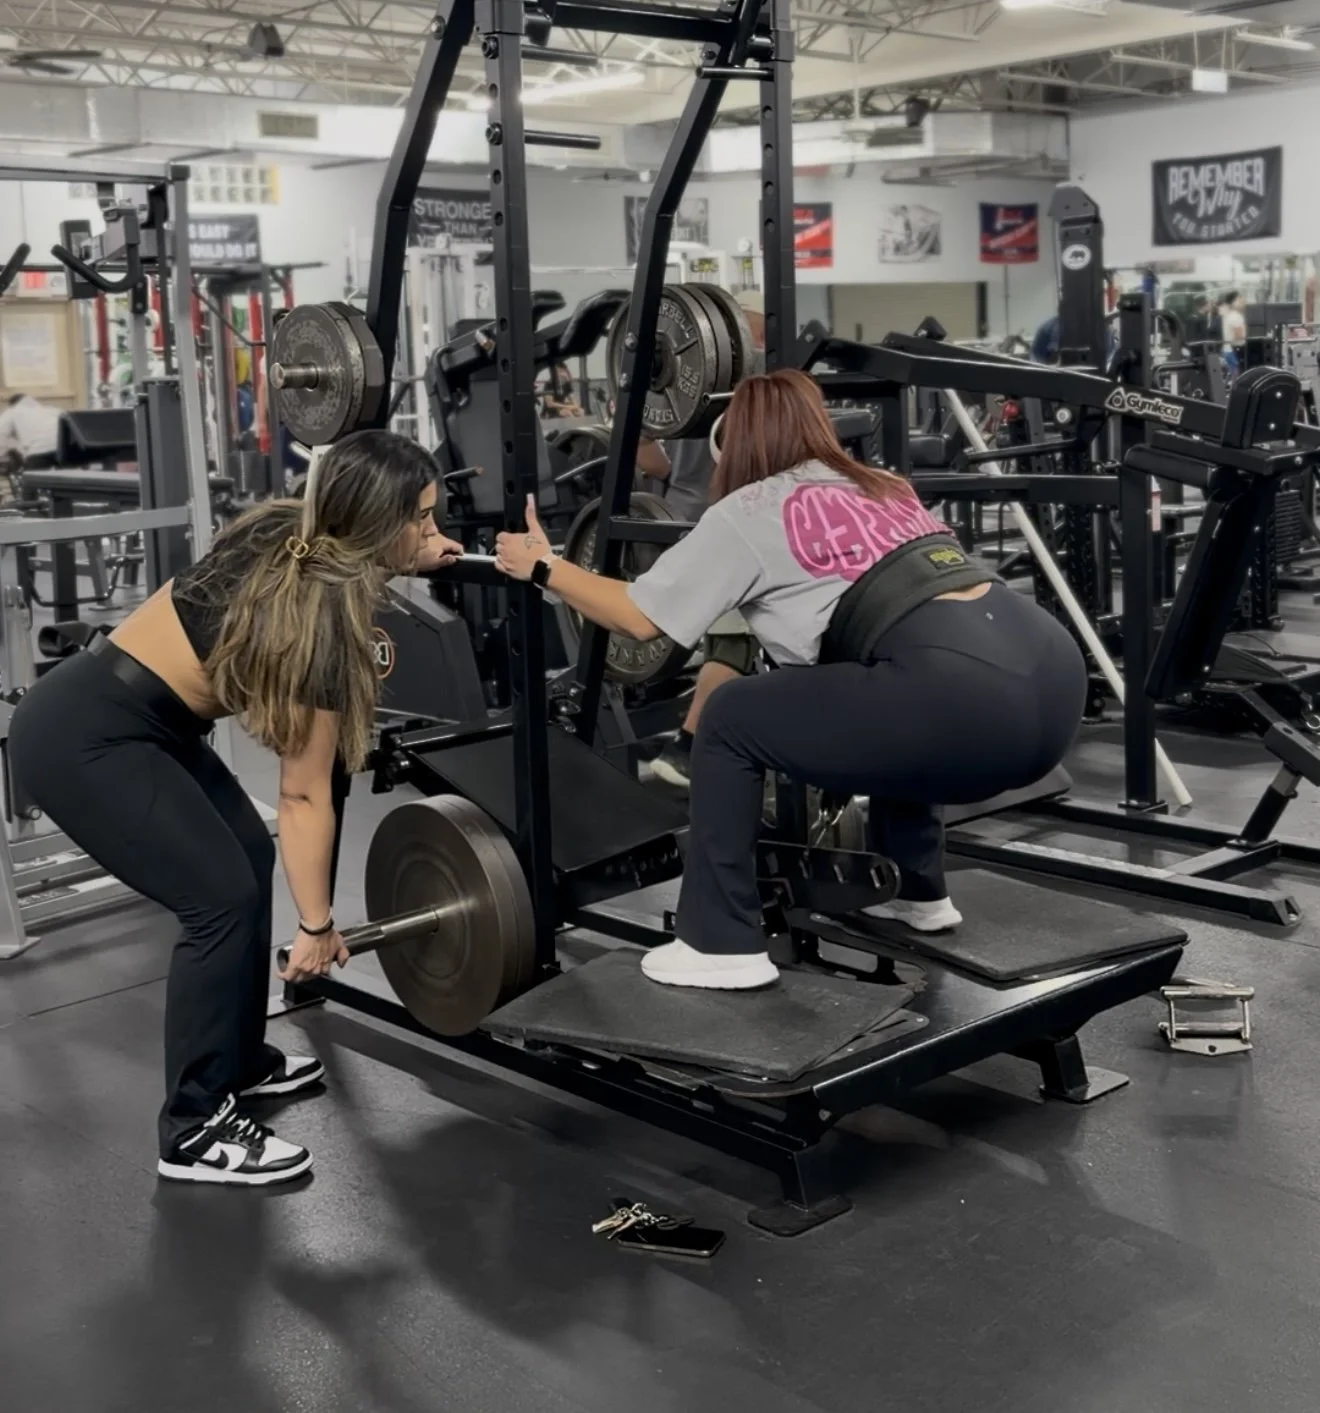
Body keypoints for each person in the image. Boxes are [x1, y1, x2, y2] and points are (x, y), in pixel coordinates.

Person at [495, 370, 1087, 991]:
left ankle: (719, 941)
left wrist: (543, 566)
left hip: (959, 701)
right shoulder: (885, 486)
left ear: (734, 440)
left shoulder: (747, 510)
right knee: (896, 684)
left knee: (729, 715)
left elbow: (638, 619)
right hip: (1051, 683)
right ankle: (916, 893)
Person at [8, 430, 464, 1185]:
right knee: (218, 900)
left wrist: (416, 553)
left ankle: (238, 1058)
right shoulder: (319, 623)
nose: (432, 528)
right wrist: (315, 927)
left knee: (247, 855)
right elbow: (303, 793)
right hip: (84, 737)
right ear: (377, 521)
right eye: (421, 517)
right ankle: (193, 1128)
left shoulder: (291, 531)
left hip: (140, 720)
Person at [634, 289, 766, 787]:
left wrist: (677, 475)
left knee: (719, 636)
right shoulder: (757, 382)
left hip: (679, 517)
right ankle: (688, 746)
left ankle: (692, 732)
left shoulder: (685, 385)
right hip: (728, 522)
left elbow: (647, 457)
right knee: (732, 642)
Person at [0, 392, 62, 468]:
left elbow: (1, 433)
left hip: (39, 450)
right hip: (66, 450)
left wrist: (2, 454)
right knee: (68, 474)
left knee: (32, 474)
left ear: (12, 405)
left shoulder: (13, 411)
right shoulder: (53, 410)